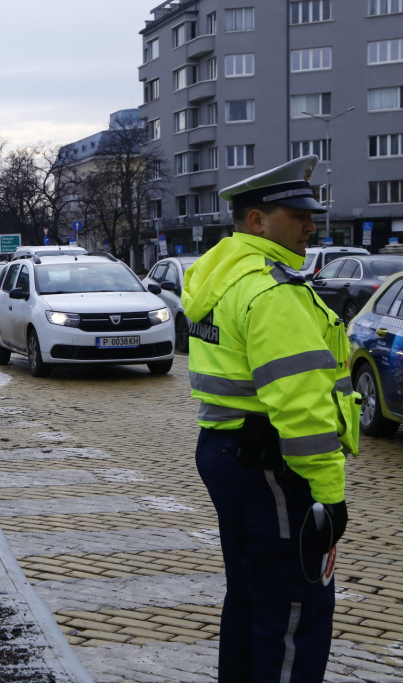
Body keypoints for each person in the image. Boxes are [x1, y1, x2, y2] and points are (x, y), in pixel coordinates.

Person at [181, 155, 357, 682]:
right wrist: (329, 493)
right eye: (297, 214)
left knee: (252, 599)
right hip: (276, 469)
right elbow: (301, 408)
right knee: (295, 611)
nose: (311, 226)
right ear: (258, 221)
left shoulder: (223, 277)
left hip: (229, 452)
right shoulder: (271, 292)